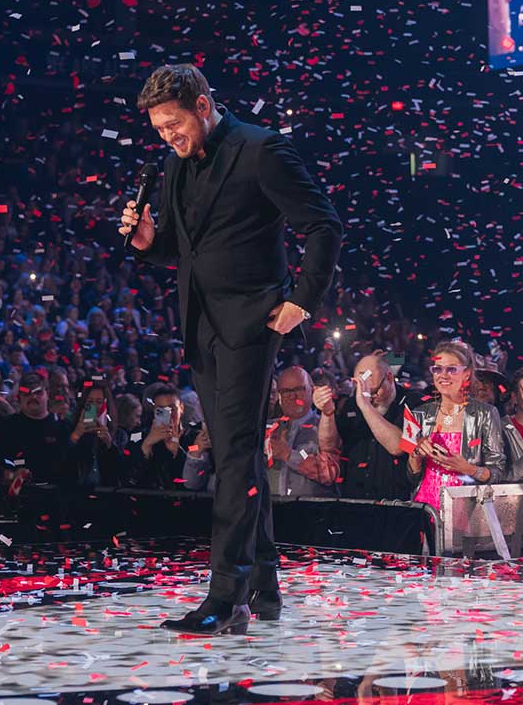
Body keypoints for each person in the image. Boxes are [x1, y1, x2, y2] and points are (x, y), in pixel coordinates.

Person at [120, 63, 343, 636]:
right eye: (159, 129)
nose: (168, 136)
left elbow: (324, 226)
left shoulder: (261, 149)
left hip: (251, 324)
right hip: (201, 325)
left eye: (173, 124)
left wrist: (300, 302)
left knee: (237, 453)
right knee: (234, 453)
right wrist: (147, 242)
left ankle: (227, 597)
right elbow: (180, 247)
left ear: (202, 105)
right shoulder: (175, 163)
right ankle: (263, 586)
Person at [407, 340, 506, 507]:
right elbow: (412, 477)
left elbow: (498, 473)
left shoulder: (486, 413)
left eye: (452, 369)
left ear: (467, 374)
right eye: (437, 369)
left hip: (467, 509)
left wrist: (468, 469)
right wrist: (416, 455)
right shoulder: (419, 414)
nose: (443, 375)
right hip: (424, 509)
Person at [327, 351, 414, 501]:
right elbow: (332, 446)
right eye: (362, 389)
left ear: (389, 377)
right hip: (355, 499)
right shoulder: (351, 404)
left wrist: (365, 406)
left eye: (373, 391)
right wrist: (326, 413)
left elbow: (399, 447)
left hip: (396, 501)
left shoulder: (412, 402)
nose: (368, 396)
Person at [0, 372, 76, 486]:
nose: (33, 397)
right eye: (26, 393)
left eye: (38, 392)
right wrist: (10, 474)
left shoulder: (64, 427)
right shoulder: (4, 428)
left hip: (56, 492)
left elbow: (74, 466)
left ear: (47, 394)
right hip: (17, 493)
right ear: (19, 397)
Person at [267, 366, 339, 497]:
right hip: (271, 507)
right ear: (278, 396)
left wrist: (289, 455)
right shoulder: (268, 429)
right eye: (285, 391)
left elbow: (330, 473)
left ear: (312, 390)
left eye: (298, 389)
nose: (292, 395)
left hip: (309, 508)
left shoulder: (326, 426)